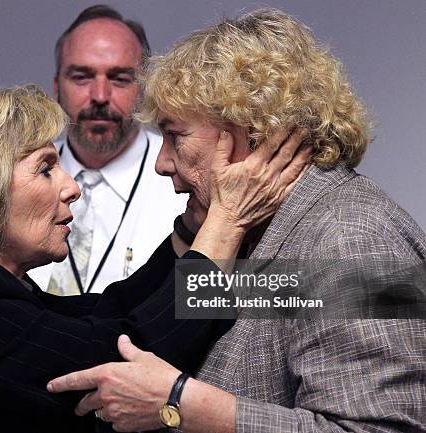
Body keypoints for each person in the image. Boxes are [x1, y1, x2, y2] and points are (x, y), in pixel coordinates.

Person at [47, 9, 426, 433]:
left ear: (253, 132)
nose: (161, 162)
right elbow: (146, 331)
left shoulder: (353, 236)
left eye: (175, 136)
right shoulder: (254, 230)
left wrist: (179, 402)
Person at [0, 82, 308, 432]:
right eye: (45, 169)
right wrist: (227, 223)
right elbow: (120, 354)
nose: (71, 186)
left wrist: (191, 231)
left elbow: (107, 313)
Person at [28, 5, 187, 295]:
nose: (100, 96)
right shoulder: (16, 180)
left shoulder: (186, 182)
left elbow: (220, 303)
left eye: (119, 79)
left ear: (143, 89)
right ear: (56, 88)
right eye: (81, 77)